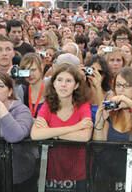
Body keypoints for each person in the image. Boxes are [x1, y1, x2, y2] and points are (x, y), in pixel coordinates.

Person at [30, 63, 93, 191]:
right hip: (51, 169)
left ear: (76, 85)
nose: (63, 84)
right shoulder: (47, 105)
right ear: (53, 83)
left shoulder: (83, 105)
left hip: (79, 172)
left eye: (68, 81)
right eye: (59, 80)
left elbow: (85, 136)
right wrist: (75, 127)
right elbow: (35, 134)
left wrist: (50, 132)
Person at [93, 67, 132, 144]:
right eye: (118, 85)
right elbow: (98, 147)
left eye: (126, 86)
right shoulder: (111, 109)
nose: (121, 89)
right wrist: (99, 123)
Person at [18, 53, 45, 117]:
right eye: (26, 71)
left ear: (41, 68)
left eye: (33, 70)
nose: (30, 74)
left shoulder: (51, 89)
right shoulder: (22, 90)